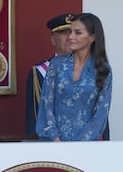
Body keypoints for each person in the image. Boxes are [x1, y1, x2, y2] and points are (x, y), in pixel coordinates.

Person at [36, 13, 112, 141]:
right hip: (54, 144)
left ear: (92, 37)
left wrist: (79, 145)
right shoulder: (57, 65)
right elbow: (46, 104)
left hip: (86, 146)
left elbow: (101, 113)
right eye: (70, 32)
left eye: (77, 33)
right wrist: (55, 138)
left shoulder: (103, 70)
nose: (70, 37)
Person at [25, 13, 76, 137]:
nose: (70, 38)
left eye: (74, 33)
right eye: (65, 33)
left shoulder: (92, 70)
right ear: (53, 39)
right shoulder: (40, 72)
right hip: (54, 144)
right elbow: (34, 118)